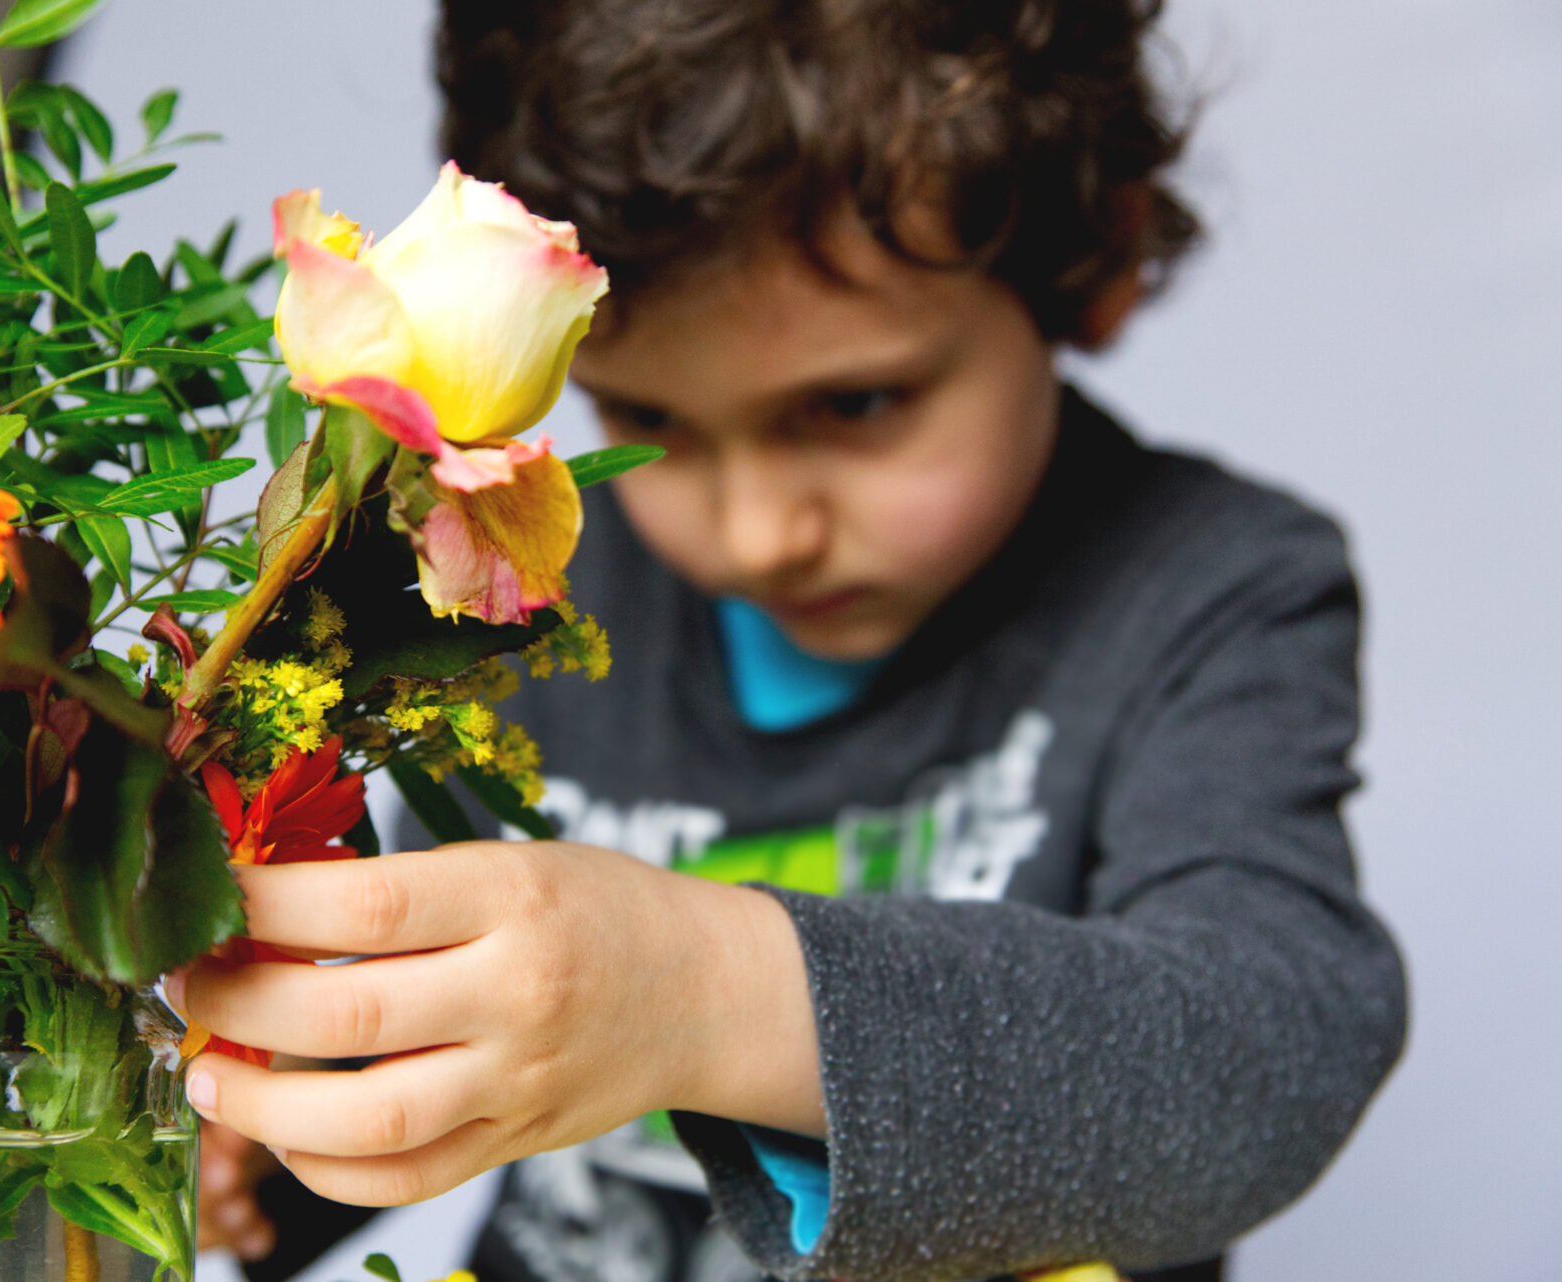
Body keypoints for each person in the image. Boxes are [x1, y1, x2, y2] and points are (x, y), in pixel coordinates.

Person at [168, 2, 1408, 1279]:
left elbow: (1267, 1050)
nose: (759, 532)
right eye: (648, 416)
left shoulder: (1212, 585)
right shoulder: (524, 564)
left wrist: (706, 989)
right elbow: (471, 1034)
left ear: (1093, 261)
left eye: (854, 404)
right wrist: (299, 1141)